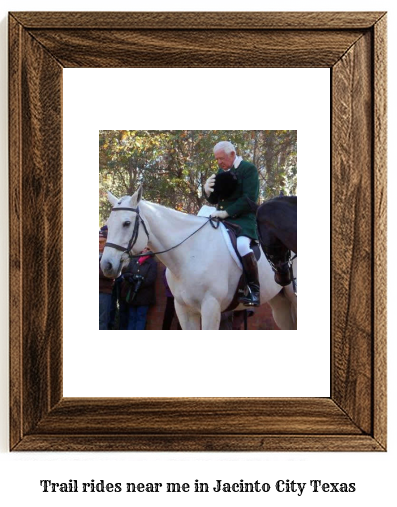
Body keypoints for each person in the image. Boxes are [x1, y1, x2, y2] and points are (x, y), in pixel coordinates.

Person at [204, 141, 260, 306]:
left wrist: (227, 212)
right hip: (222, 218)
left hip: (243, 219)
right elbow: (216, 199)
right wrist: (207, 191)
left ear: (232, 155)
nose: (219, 162)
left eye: (221, 158)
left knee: (242, 245)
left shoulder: (248, 169)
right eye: (217, 159)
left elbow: (249, 199)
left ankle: (254, 291)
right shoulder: (222, 171)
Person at [119, 247, 157, 330]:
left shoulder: (152, 263)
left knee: (140, 317)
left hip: (144, 296)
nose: (145, 250)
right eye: (144, 248)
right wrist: (130, 278)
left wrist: (139, 282)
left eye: (148, 249)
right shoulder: (134, 260)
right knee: (131, 317)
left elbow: (150, 279)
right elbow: (126, 272)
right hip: (132, 294)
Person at [99, 228, 114, 330]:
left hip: (104, 292)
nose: (99, 244)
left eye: (101, 242)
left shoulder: (111, 257)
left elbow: (110, 274)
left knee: (102, 321)